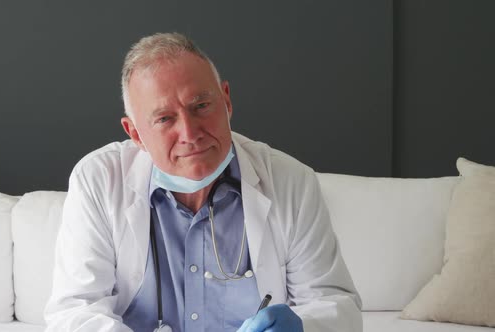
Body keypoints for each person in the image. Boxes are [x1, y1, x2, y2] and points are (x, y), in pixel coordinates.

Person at [44, 32, 362, 332]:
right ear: (135, 134)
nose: (190, 133)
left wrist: (303, 327)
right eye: (165, 118)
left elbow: (335, 306)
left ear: (226, 101)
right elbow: (75, 312)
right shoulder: (99, 180)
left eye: (201, 106)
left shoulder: (291, 182)